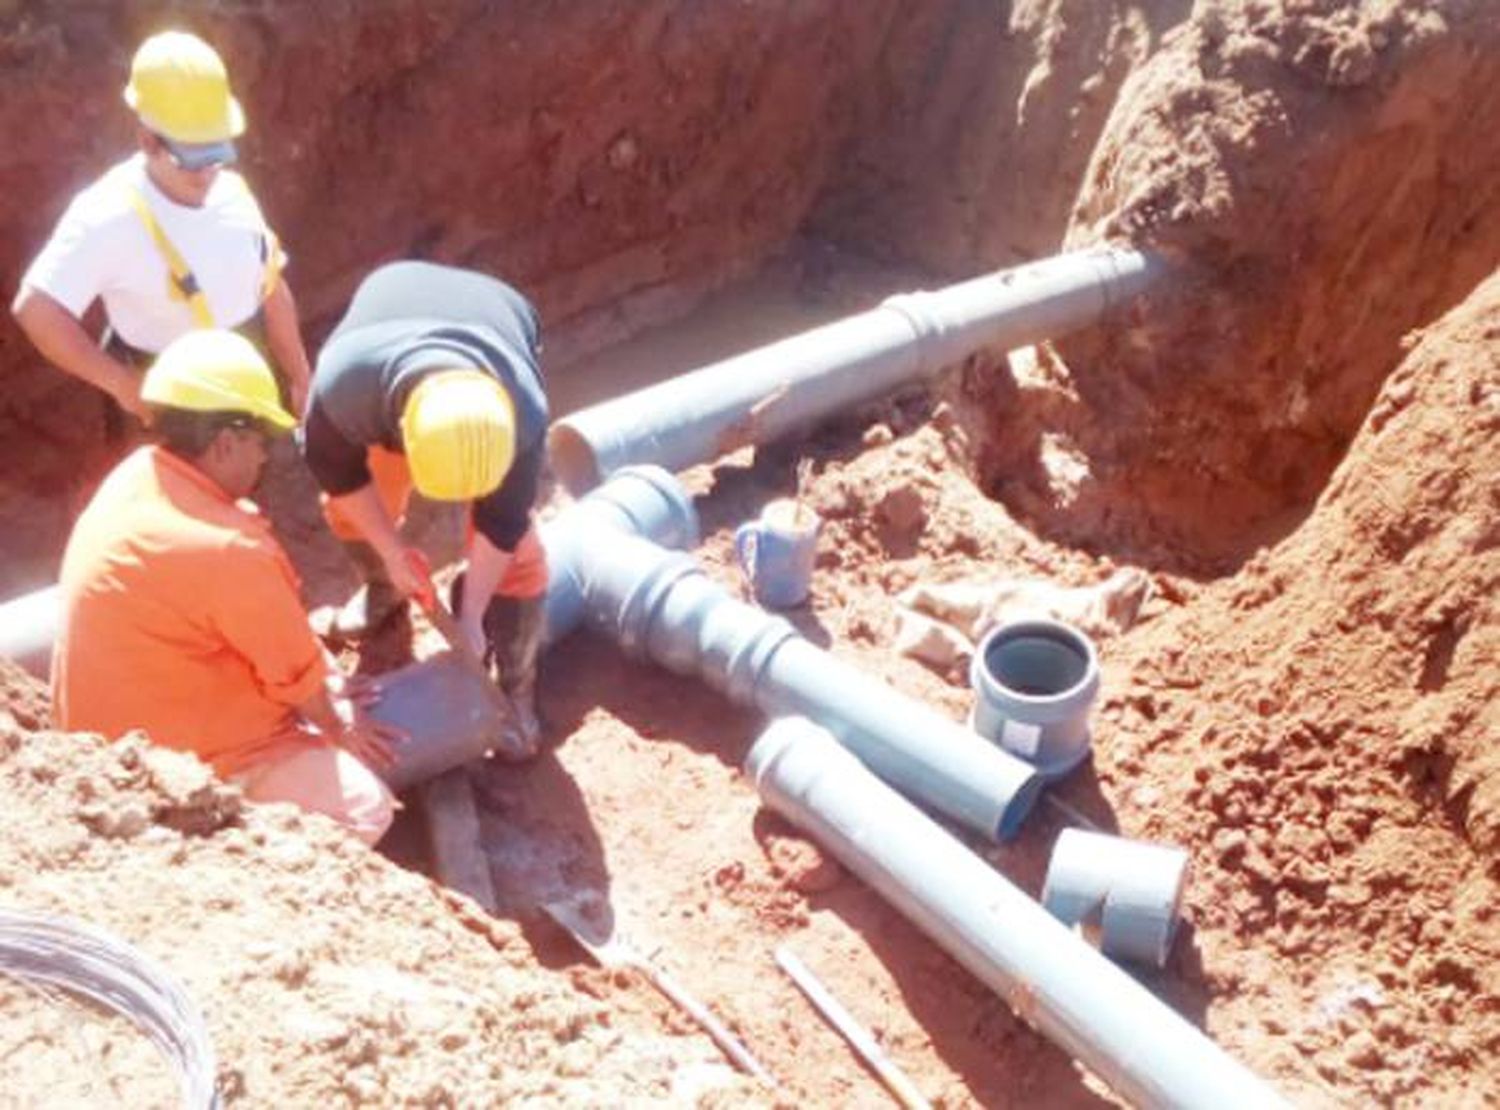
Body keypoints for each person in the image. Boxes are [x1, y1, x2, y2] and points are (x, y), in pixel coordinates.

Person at [52, 329, 402, 845]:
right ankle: (231, 854)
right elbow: (292, 676)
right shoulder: (226, 549)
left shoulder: (136, 475)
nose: (265, 460)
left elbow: (255, 625)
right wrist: (337, 723)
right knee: (365, 808)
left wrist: (321, 672)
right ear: (225, 443)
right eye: (262, 445)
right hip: (169, 768)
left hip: (102, 735)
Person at [302, 260, 549, 757]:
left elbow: (502, 525)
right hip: (390, 310)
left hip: (496, 311)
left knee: (521, 558)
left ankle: (515, 687)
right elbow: (342, 475)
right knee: (356, 509)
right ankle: (381, 592)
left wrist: (473, 617)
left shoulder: (522, 412)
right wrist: (392, 553)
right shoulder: (344, 390)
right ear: (404, 435)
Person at [11, 29, 312, 425]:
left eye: (217, 153)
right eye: (192, 156)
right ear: (148, 141)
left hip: (245, 376)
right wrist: (122, 385)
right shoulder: (107, 215)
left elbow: (270, 283)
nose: (207, 171)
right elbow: (36, 309)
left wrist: (301, 377)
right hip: (166, 401)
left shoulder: (233, 192)